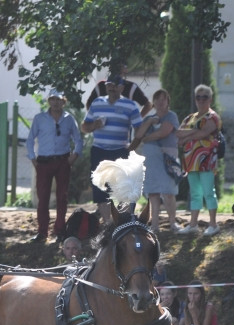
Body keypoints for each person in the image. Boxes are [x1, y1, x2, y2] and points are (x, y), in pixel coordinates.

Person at [81, 74, 143, 223]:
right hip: (99, 150)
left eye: (115, 85)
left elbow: (140, 131)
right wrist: (94, 125)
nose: (111, 87)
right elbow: (84, 127)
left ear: (122, 87)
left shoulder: (130, 105)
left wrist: (131, 148)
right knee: (100, 189)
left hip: (120, 152)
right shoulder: (97, 103)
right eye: (109, 84)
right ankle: (108, 223)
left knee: (122, 189)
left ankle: (121, 221)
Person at [26, 88, 83, 243]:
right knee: (42, 197)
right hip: (43, 162)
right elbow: (30, 140)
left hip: (63, 161)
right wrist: (33, 158)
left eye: (58, 100)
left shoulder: (69, 119)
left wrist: (74, 156)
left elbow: (78, 139)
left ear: (63, 101)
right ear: (49, 101)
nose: (55, 103)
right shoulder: (40, 118)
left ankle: (59, 230)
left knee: (62, 197)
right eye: (52, 99)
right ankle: (42, 231)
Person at [175, 84, 222, 236]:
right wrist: (196, 132)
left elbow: (205, 132)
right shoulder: (190, 117)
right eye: (198, 97)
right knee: (195, 193)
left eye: (205, 97)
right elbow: (178, 133)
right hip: (191, 161)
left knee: (209, 192)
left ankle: (213, 224)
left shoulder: (213, 117)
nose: (201, 100)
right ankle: (193, 224)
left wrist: (189, 135)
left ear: (210, 99)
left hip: (207, 160)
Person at [131, 89, 180, 232]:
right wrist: (149, 122)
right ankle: (155, 225)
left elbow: (163, 132)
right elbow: (139, 135)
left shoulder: (171, 116)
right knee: (153, 193)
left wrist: (148, 138)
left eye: (163, 99)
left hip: (167, 158)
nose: (160, 102)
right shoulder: (148, 119)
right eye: (157, 99)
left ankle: (172, 223)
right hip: (151, 160)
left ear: (167, 102)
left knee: (169, 192)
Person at [85, 62, 152, 116]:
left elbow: (148, 105)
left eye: (121, 66)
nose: (118, 69)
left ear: (126, 70)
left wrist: (135, 120)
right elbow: (89, 103)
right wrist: (94, 118)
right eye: (115, 66)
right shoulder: (101, 86)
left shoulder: (131, 87)